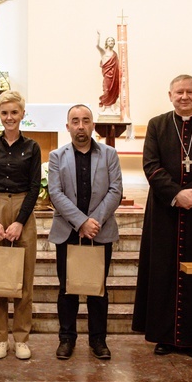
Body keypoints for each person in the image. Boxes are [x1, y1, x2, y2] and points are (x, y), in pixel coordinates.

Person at [132, 74, 192, 359]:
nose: (184, 97)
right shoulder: (157, 125)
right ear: (170, 95)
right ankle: (163, 336)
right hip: (165, 211)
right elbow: (150, 165)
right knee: (163, 271)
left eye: (190, 92)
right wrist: (176, 194)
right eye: (179, 92)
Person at [48, 104, 123, 360]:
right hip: (68, 231)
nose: (81, 126)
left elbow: (116, 191)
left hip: (99, 232)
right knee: (67, 289)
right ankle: (66, 339)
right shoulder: (57, 156)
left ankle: (98, 340)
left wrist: (94, 222)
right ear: (68, 126)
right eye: (75, 121)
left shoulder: (109, 154)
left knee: (97, 289)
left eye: (86, 120)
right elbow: (55, 193)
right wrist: (80, 222)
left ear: (93, 125)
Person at [0, 90, 41, 360]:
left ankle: (22, 338)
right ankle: (0, 338)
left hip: (21, 213)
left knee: (24, 280)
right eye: (4, 113)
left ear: (22, 114)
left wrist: (19, 222)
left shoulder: (33, 147)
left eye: (14, 112)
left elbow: (34, 186)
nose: (9, 117)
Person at [95, 31, 121, 113]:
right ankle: (103, 104)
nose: (111, 42)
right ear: (106, 42)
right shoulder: (104, 52)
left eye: (112, 41)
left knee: (114, 91)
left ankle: (111, 107)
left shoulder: (115, 54)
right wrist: (98, 36)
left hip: (115, 76)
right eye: (109, 41)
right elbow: (97, 46)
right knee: (107, 90)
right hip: (107, 76)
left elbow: (117, 66)